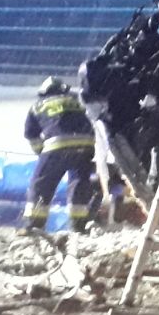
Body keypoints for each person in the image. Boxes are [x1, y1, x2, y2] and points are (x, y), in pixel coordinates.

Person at [22, 77, 98, 232]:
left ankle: (34, 224)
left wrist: (41, 153)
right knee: (79, 184)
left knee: (41, 184)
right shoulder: (77, 100)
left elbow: (31, 134)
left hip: (57, 145)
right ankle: (78, 225)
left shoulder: (38, 105)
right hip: (86, 145)